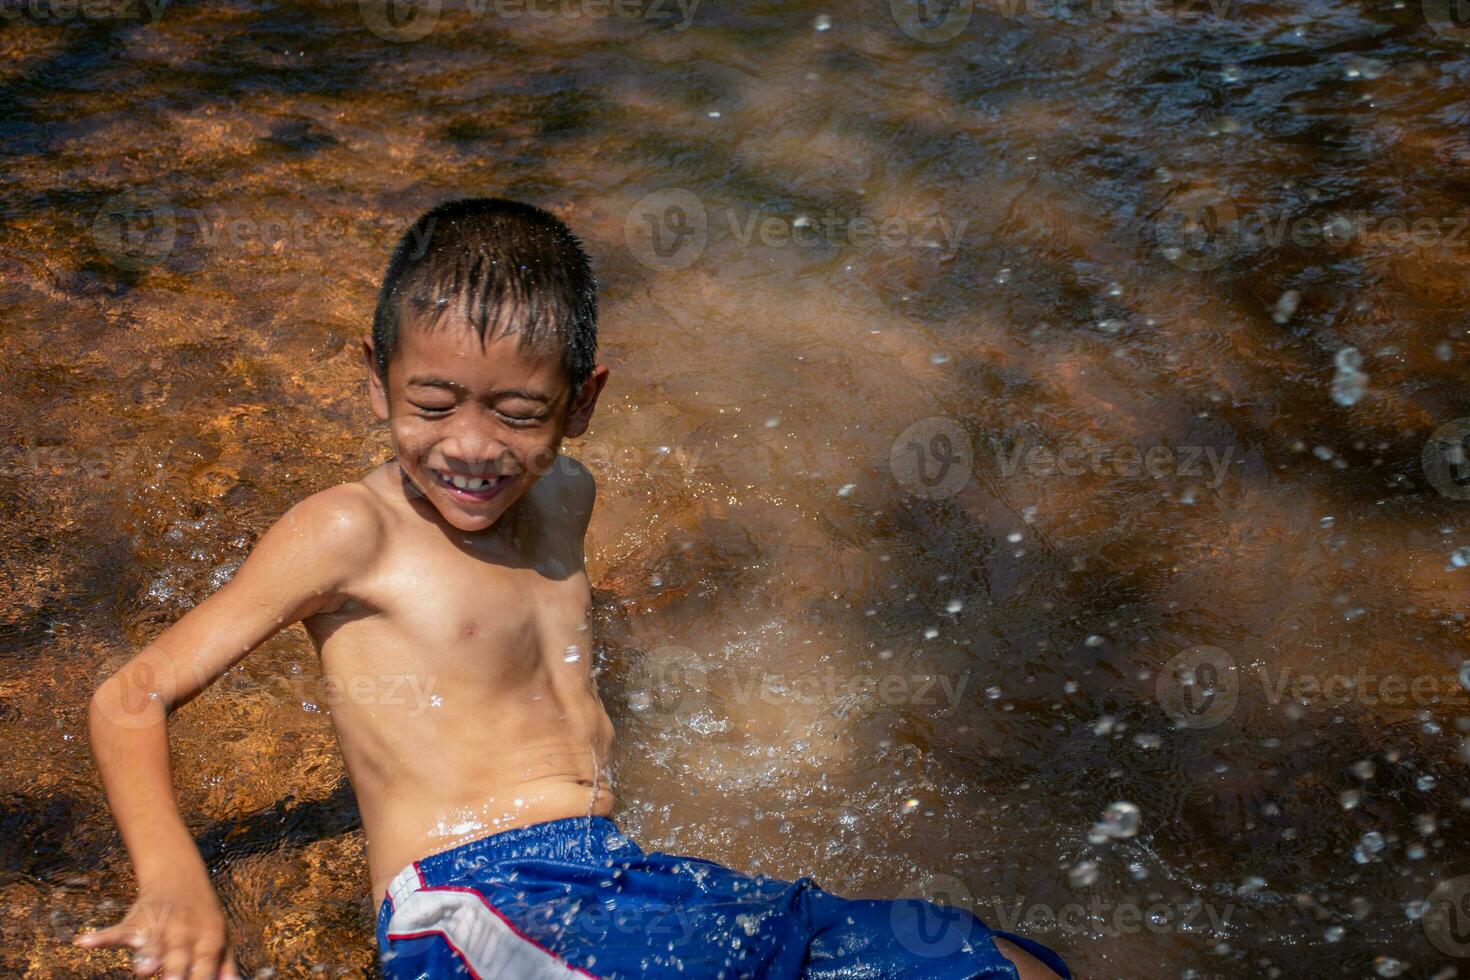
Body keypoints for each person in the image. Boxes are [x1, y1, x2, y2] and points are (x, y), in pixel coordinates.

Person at [78, 198, 1070, 980]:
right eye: (432, 402)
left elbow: (528, 642)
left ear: (583, 403)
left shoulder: (565, 495)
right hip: (476, 898)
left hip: (621, 877)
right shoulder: (352, 531)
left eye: (518, 411)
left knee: (990, 957)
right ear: (375, 380)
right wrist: (175, 878)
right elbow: (131, 695)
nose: (471, 446)